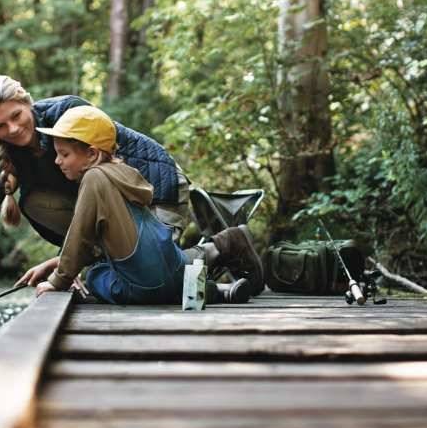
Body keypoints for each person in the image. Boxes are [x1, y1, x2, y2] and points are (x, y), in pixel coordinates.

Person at [0, 75, 189, 306]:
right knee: (34, 201)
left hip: (159, 189)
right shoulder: (13, 163)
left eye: (16, 116)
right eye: (1, 126)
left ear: (28, 103)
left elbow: (107, 184)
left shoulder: (67, 113)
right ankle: (109, 263)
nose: (13, 129)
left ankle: (214, 251)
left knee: (153, 274)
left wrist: (64, 267)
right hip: (121, 214)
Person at [15, 105, 263, 304]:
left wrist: (59, 280)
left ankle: (217, 287)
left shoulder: (94, 178)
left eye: (64, 154)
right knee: (167, 274)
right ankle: (223, 272)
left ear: (91, 154)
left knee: (95, 276)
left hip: (145, 284)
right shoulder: (122, 172)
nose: (57, 161)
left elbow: (81, 234)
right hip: (172, 265)